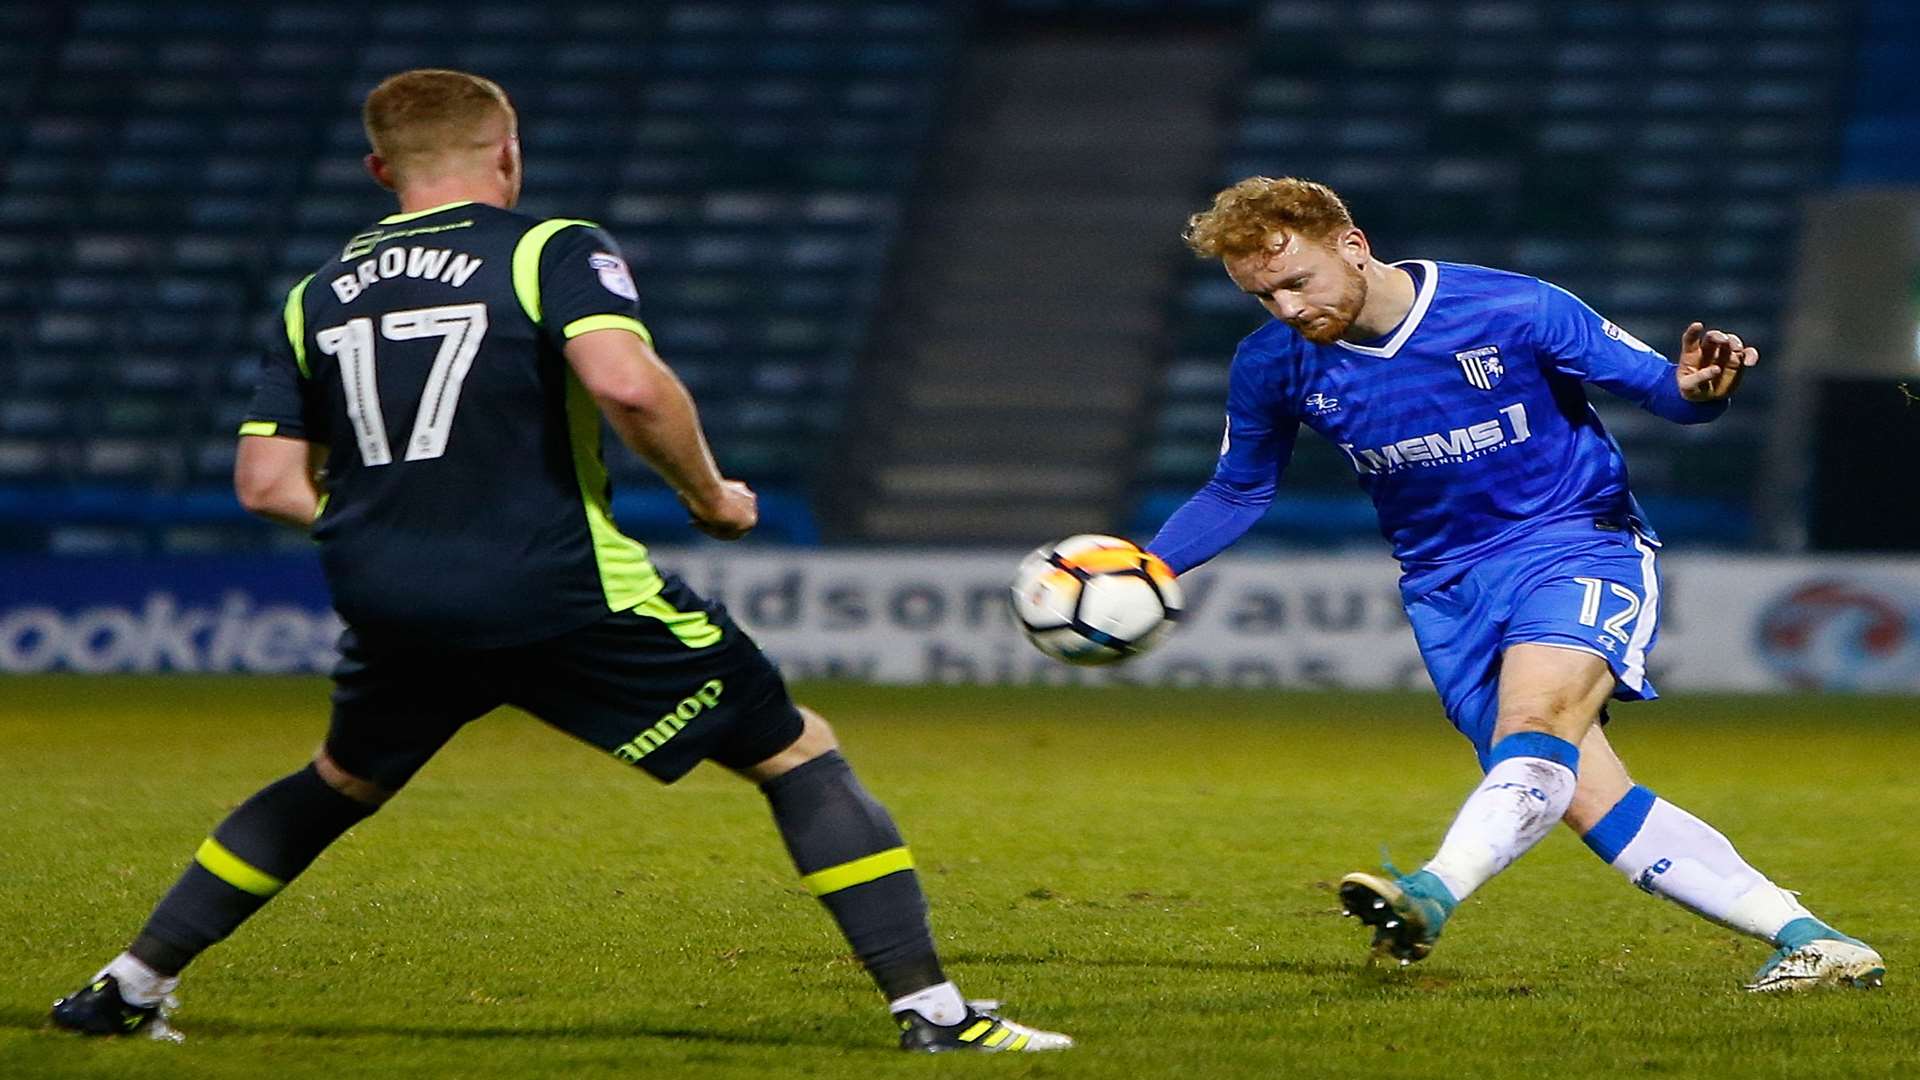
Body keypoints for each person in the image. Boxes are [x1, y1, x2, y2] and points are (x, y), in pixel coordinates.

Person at [50, 68, 1069, 1053]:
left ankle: (127, 987)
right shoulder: (547, 248)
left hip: (387, 588)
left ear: (380, 170)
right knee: (796, 750)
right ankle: (935, 1013)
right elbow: (626, 384)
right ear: (508, 153)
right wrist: (710, 497)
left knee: (340, 778)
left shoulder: (313, 295)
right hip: (550, 580)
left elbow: (266, 483)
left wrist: (402, 526)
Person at [1148, 176, 1883, 992]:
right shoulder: (1272, 364)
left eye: (1296, 282)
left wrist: (1701, 389)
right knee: (1578, 795)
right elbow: (1239, 488)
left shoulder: (1515, 308)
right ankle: (1817, 942)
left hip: (1573, 542)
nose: (1285, 309)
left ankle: (1429, 895)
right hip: (1445, 589)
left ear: (1353, 247)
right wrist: (1149, 567)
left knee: (1538, 721)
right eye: (1262, 296)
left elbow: (1667, 396)